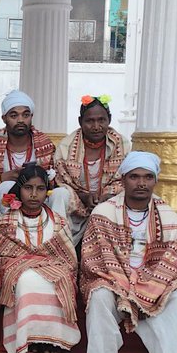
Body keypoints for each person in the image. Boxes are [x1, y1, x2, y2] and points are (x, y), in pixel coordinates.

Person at [80, 151, 177, 353]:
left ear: (155, 180)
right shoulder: (103, 213)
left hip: (156, 285)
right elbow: (94, 261)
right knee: (98, 295)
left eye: (148, 177)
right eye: (134, 176)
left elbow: (176, 262)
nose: (141, 183)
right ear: (123, 180)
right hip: (114, 283)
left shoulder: (168, 216)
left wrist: (149, 287)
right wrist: (128, 286)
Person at [0, 164, 80, 353]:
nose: (33, 194)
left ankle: (53, 339)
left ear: (47, 192)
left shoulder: (58, 223)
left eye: (40, 189)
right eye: (28, 188)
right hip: (17, 270)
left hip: (53, 268)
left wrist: (40, 263)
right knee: (26, 278)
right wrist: (27, 263)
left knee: (60, 276)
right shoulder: (4, 222)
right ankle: (28, 338)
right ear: (19, 190)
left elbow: (68, 260)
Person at [0, 90, 67, 220]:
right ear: (4, 118)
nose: (20, 120)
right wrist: (2, 177)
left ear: (31, 116)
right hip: (3, 201)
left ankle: (57, 232)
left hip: (38, 195)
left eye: (25, 115)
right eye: (14, 115)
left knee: (61, 193)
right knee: (7, 185)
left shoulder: (44, 143)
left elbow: (53, 179)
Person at [54, 94, 129, 245]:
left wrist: (106, 196)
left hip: (109, 202)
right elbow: (61, 181)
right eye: (90, 121)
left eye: (101, 120)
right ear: (80, 121)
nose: (96, 126)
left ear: (109, 119)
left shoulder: (120, 144)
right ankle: (58, 243)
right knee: (59, 194)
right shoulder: (66, 146)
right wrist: (83, 195)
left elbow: (124, 179)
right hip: (77, 204)